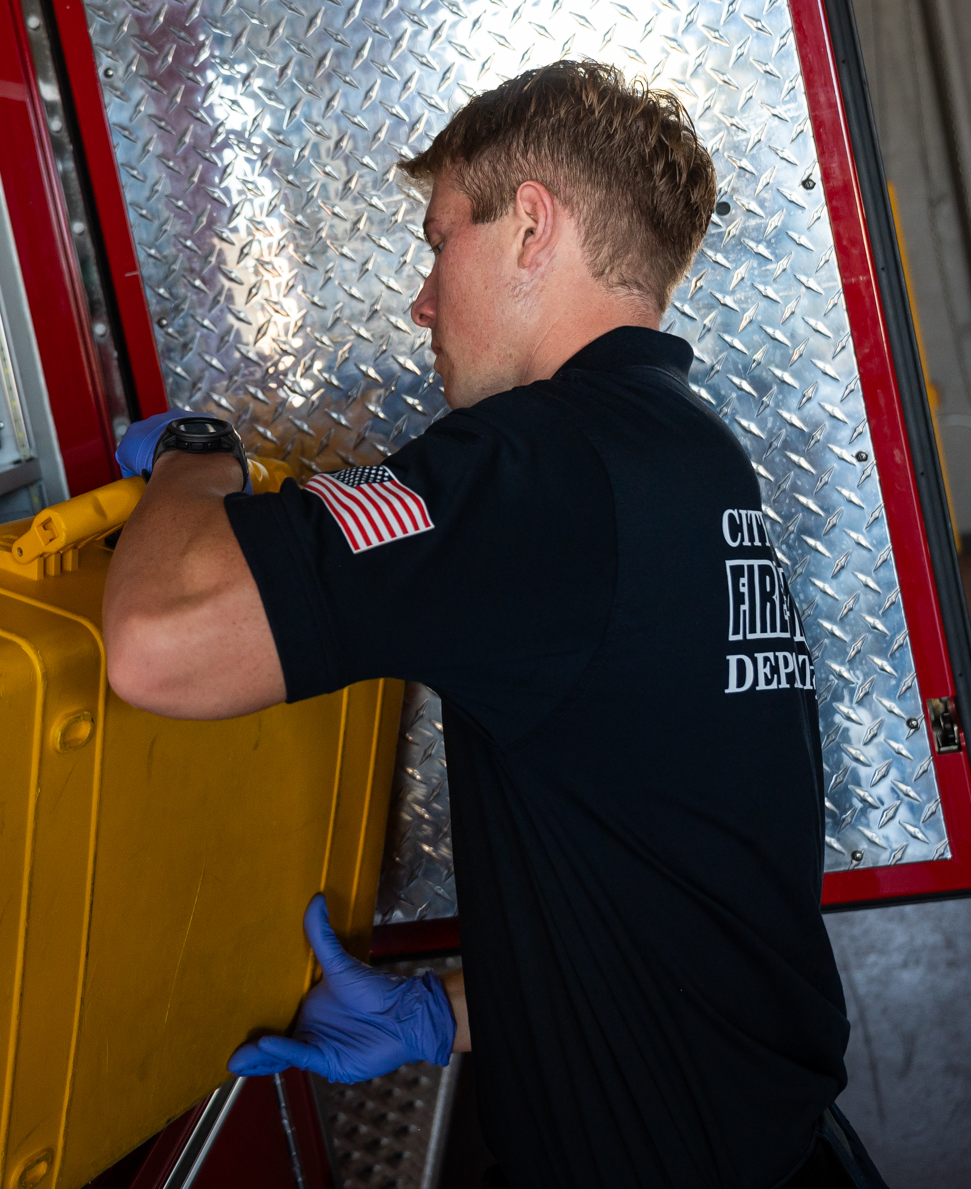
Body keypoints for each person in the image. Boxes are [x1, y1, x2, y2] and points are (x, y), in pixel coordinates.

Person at [101, 60, 888, 1189]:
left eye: (435, 240)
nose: (422, 299)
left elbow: (156, 642)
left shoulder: (537, 467)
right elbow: (669, 885)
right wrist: (440, 1010)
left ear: (530, 225)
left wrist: (194, 462)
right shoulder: (691, 454)